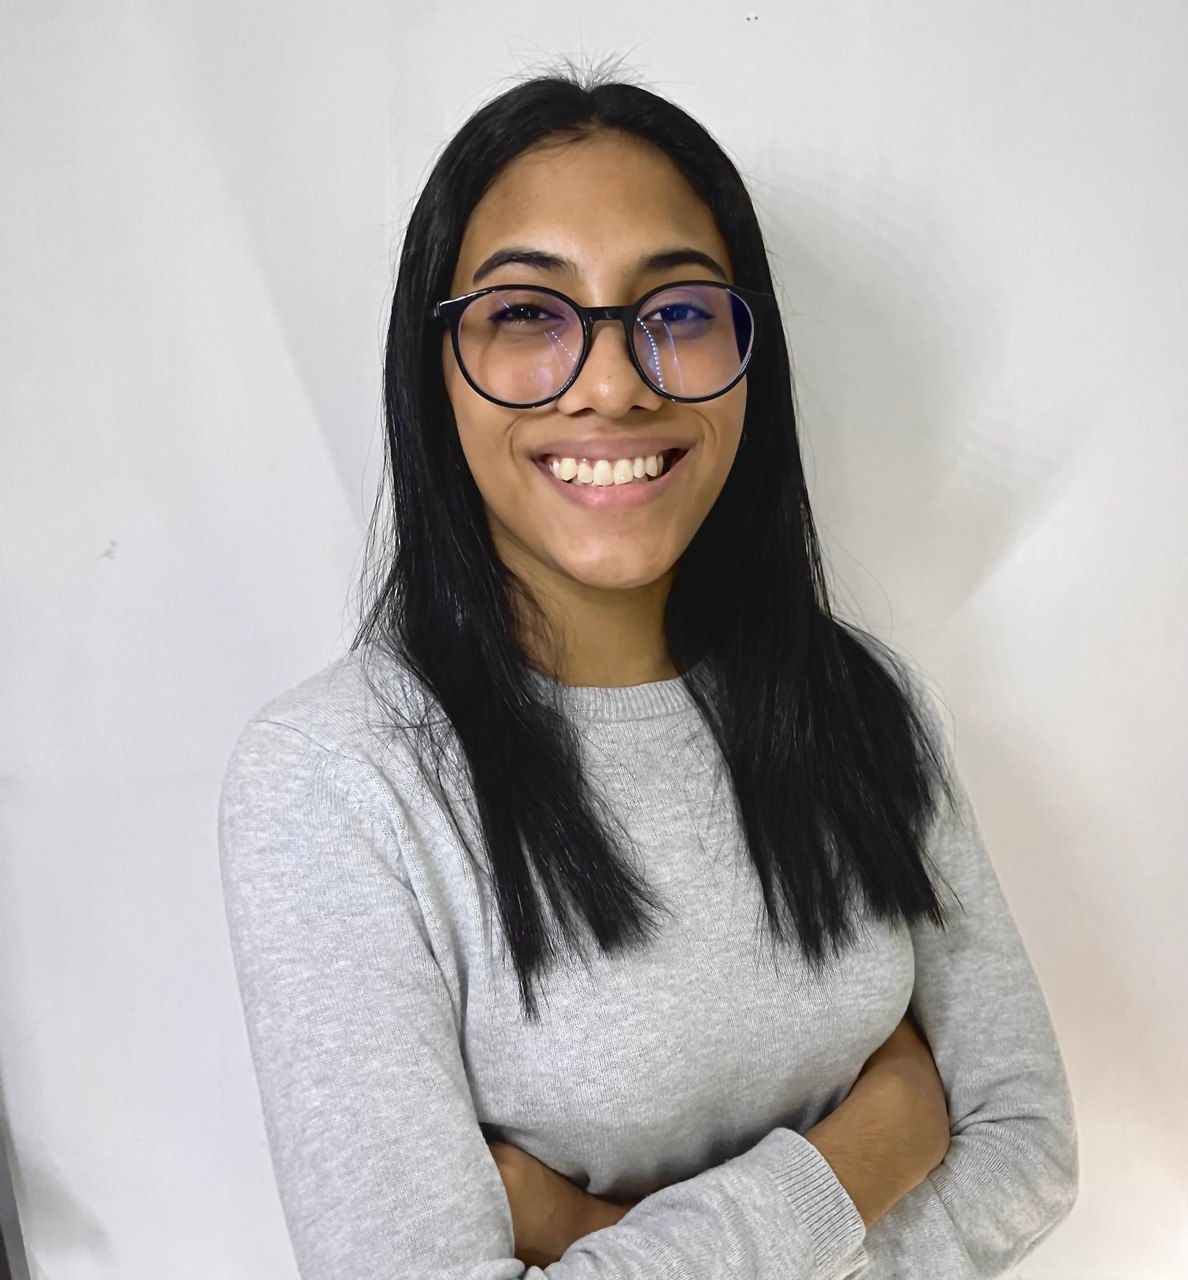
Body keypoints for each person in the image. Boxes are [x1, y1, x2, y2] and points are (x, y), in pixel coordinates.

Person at [217, 64, 1078, 1279]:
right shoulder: (332, 780)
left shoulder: (860, 703)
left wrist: (579, 1234)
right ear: (434, 368)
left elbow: (1027, 1146)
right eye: (527, 314)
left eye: (675, 310)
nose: (614, 381)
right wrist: (872, 1140)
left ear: (749, 352)